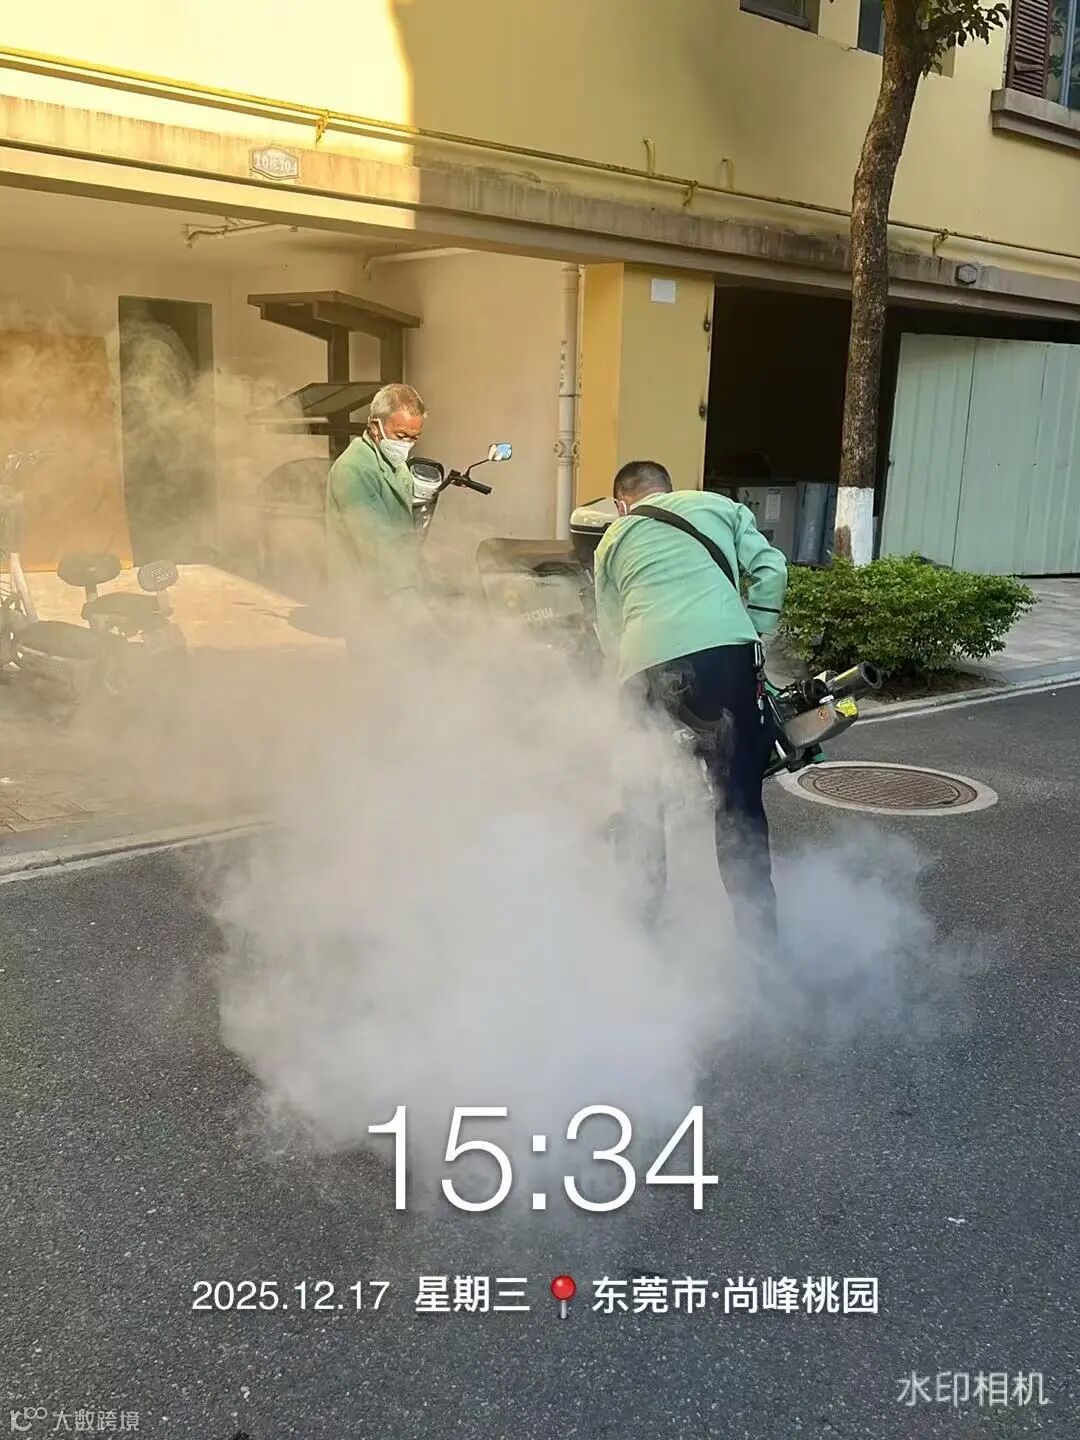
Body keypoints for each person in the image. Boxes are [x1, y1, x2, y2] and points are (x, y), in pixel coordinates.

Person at [593, 459, 788, 942]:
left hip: (642, 665)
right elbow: (772, 569)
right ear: (669, 490)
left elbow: (611, 633)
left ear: (621, 503)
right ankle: (760, 943)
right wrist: (756, 632)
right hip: (725, 656)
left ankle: (642, 932)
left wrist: (628, 688)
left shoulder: (612, 539)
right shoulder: (717, 506)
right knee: (737, 797)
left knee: (642, 796)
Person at [325, 383, 427, 629]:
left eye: (414, 438)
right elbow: (377, 544)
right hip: (366, 596)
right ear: (375, 426)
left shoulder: (395, 464)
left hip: (393, 587)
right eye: (401, 436)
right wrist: (414, 610)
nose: (407, 444)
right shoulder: (354, 469)